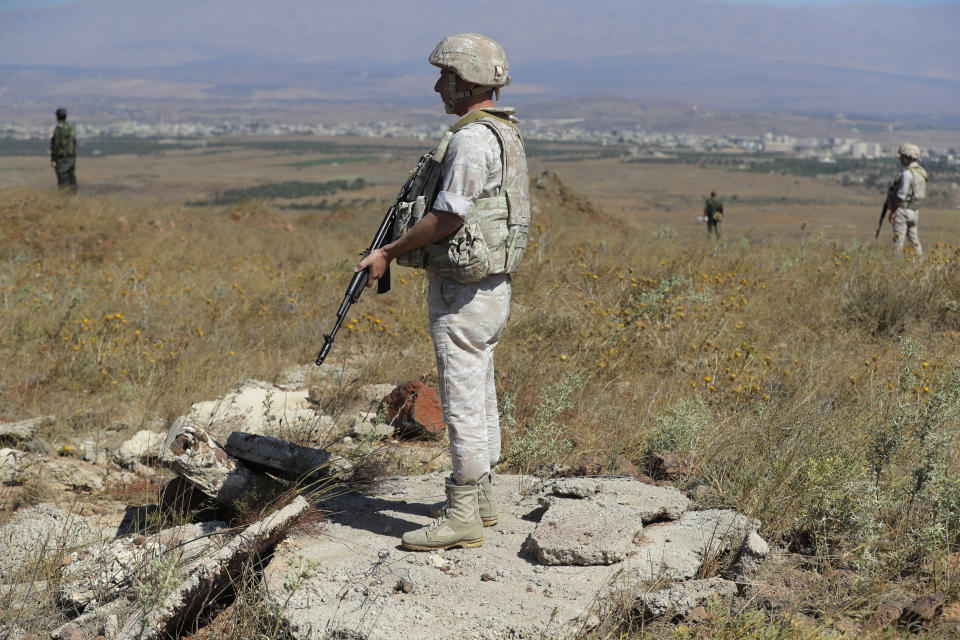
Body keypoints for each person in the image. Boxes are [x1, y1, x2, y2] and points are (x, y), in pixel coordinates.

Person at [355, 33, 529, 551]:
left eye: (445, 78)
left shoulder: (473, 140)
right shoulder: (504, 132)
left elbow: (448, 216)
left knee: (462, 397)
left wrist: (389, 251)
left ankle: (462, 514)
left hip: (464, 293)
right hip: (490, 287)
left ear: (466, 82)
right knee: (481, 388)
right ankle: (485, 499)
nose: (437, 87)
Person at [888, 143, 927, 257]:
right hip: (914, 211)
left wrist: (893, 211)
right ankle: (920, 265)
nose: (900, 158)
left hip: (903, 211)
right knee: (914, 242)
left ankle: (896, 267)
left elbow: (901, 196)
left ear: (907, 157)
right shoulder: (922, 172)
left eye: (902, 156)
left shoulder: (907, 174)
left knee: (898, 243)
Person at [50, 107, 77, 193]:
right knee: (72, 180)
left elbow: (56, 144)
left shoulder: (59, 129)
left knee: (63, 181)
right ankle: (73, 199)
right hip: (71, 158)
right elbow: (74, 142)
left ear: (57, 117)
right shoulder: (71, 128)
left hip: (62, 159)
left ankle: (64, 202)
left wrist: (53, 159)